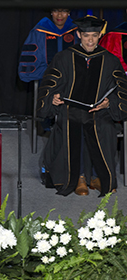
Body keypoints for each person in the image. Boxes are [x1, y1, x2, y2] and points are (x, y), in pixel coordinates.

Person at [37, 15, 127, 197]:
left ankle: (96, 176)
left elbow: (122, 89)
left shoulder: (110, 60)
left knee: (104, 127)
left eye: (94, 35)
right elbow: (49, 84)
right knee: (74, 123)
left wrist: (110, 103)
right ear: (78, 34)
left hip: (101, 112)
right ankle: (78, 177)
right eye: (86, 35)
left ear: (99, 36)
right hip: (70, 110)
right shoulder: (64, 57)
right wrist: (53, 99)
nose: (91, 40)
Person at [18, 8, 78, 83]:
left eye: (64, 11)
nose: (59, 15)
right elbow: (29, 70)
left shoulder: (77, 32)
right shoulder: (39, 32)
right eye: (56, 11)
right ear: (51, 12)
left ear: (69, 12)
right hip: (46, 84)